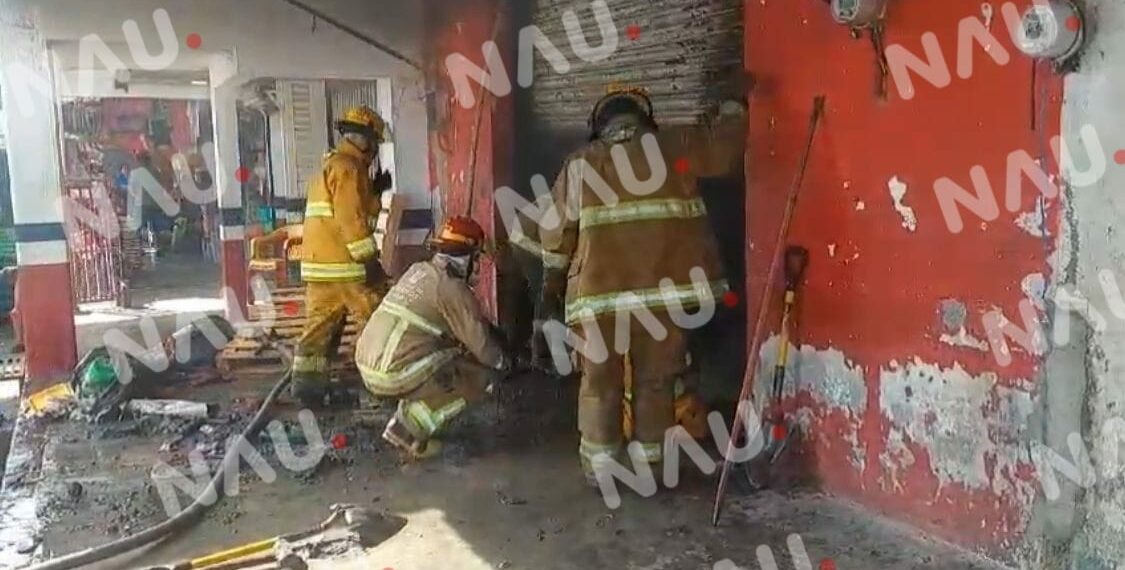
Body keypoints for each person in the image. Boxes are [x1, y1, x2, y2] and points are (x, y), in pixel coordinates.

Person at [538, 85, 749, 484]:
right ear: (645, 119)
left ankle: (603, 472)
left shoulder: (581, 164)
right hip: (663, 300)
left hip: (598, 302)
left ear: (600, 126)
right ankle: (650, 467)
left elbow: (555, 233)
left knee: (600, 384)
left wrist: (549, 290)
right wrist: (733, 104)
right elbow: (724, 152)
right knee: (657, 380)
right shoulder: (674, 146)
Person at [355, 216, 510, 460]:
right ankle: (407, 432)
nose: (478, 266)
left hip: (368, 362)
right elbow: (483, 348)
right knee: (478, 375)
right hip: (391, 369)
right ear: (465, 256)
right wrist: (505, 363)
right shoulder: (451, 287)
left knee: (450, 356)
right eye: (477, 257)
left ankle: (405, 420)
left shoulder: (419, 271)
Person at [291, 105, 392, 405]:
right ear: (365, 139)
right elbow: (352, 221)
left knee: (318, 331)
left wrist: (373, 190)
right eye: (374, 141)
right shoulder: (349, 168)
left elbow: (345, 211)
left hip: (319, 269)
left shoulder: (330, 165)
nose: (375, 148)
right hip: (347, 269)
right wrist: (370, 262)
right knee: (377, 321)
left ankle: (308, 388)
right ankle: (376, 382)